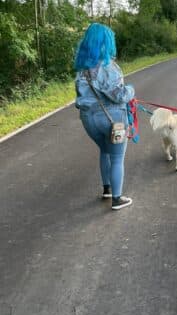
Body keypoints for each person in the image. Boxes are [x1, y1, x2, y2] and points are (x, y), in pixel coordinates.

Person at [74, 23, 135, 210]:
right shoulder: (109, 67)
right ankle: (117, 199)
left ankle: (107, 189)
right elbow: (119, 95)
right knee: (117, 157)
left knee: (104, 151)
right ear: (106, 43)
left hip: (88, 120)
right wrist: (131, 90)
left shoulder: (81, 69)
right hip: (112, 119)